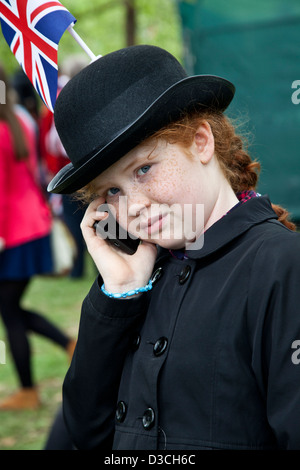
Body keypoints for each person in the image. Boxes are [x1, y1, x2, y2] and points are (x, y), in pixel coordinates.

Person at [47, 45, 300, 450]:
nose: (133, 207)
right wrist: (119, 296)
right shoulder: (139, 278)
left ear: (201, 141)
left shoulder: (282, 266)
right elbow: (84, 434)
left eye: (144, 169)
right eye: (112, 190)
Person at [0, 64, 76, 411]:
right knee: (10, 307)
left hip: (11, 231)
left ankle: (28, 391)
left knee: (9, 310)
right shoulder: (20, 120)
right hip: (32, 223)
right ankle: (67, 344)